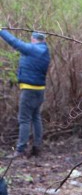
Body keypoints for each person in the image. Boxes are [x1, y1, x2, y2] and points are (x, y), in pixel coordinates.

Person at [0, 28, 50, 158]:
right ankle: (37, 147)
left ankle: (20, 150)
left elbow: (14, 42)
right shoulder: (45, 51)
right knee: (35, 117)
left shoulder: (33, 49)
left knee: (24, 119)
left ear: (34, 39)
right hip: (39, 90)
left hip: (29, 90)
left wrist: (1, 31)